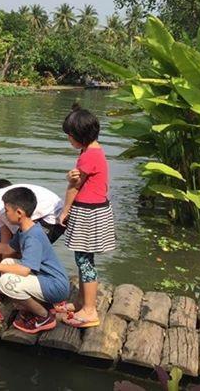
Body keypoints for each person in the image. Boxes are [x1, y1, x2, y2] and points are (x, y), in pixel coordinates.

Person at [0, 187, 69, 334]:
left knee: (6, 282)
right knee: (6, 263)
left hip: (55, 286)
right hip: (46, 279)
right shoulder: (25, 229)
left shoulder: (33, 237)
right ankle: (39, 305)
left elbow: (25, 269)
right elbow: (7, 249)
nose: (5, 214)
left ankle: (44, 316)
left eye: (7, 211)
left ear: (19, 213)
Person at [57, 103, 116, 329]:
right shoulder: (92, 151)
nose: (69, 140)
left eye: (70, 136)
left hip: (88, 213)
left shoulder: (87, 156)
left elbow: (74, 187)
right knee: (83, 258)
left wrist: (65, 210)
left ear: (79, 136)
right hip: (95, 209)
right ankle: (82, 302)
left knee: (85, 261)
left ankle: (89, 310)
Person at [0, 179, 65, 245]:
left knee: (25, 245)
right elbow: (5, 239)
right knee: (17, 246)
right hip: (41, 215)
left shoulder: (4, 207)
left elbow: (12, 243)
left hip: (53, 217)